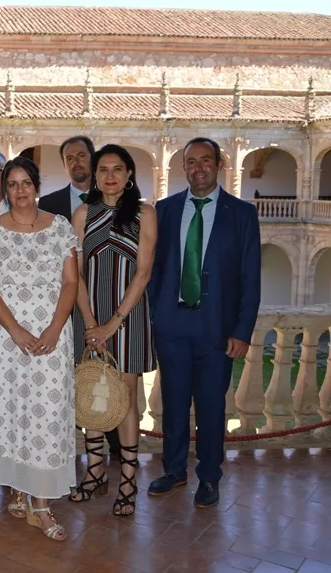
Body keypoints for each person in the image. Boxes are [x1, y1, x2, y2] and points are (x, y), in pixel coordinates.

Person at [147, 138, 261, 508]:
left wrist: (242, 330)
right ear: (183, 167)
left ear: (219, 164)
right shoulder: (164, 210)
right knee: (174, 403)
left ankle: (209, 476)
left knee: (212, 407)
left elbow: (250, 278)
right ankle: (174, 470)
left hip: (217, 330)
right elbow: (153, 269)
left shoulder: (241, 214)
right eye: (191, 162)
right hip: (173, 325)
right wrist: (155, 315)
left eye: (205, 160)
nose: (199, 168)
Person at [0, 157, 77, 541]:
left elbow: (70, 283)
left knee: (47, 414)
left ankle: (41, 504)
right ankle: (18, 487)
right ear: (6, 190)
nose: (19, 190)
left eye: (25, 182)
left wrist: (54, 328)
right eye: (12, 184)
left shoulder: (60, 227)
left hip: (52, 338)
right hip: (5, 339)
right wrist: (15, 329)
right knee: (11, 413)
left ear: (36, 186)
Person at [71, 144, 158, 518]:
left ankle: (127, 481)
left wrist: (113, 322)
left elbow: (144, 272)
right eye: (103, 169)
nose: (110, 176)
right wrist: (91, 323)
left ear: (129, 174)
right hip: (88, 317)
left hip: (129, 318)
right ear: (94, 175)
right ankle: (94, 472)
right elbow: (74, 273)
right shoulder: (82, 214)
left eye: (117, 169)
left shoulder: (145, 213)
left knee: (126, 400)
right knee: (92, 395)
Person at [38, 136, 121, 458]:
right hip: (61, 306)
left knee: (108, 376)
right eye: (69, 158)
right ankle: (67, 451)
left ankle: (113, 446)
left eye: (81, 155)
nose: (76, 162)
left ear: (92, 158)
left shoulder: (116, 199)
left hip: (107, 304)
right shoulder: (49, 204)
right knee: (67, 380)